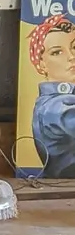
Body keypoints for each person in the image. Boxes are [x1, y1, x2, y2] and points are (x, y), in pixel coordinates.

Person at [28, 15, 75, 178]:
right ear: (41, 64)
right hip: (65, 190)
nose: (71, 56)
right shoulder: (54, 106)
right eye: (57, 52)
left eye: (74, 47)